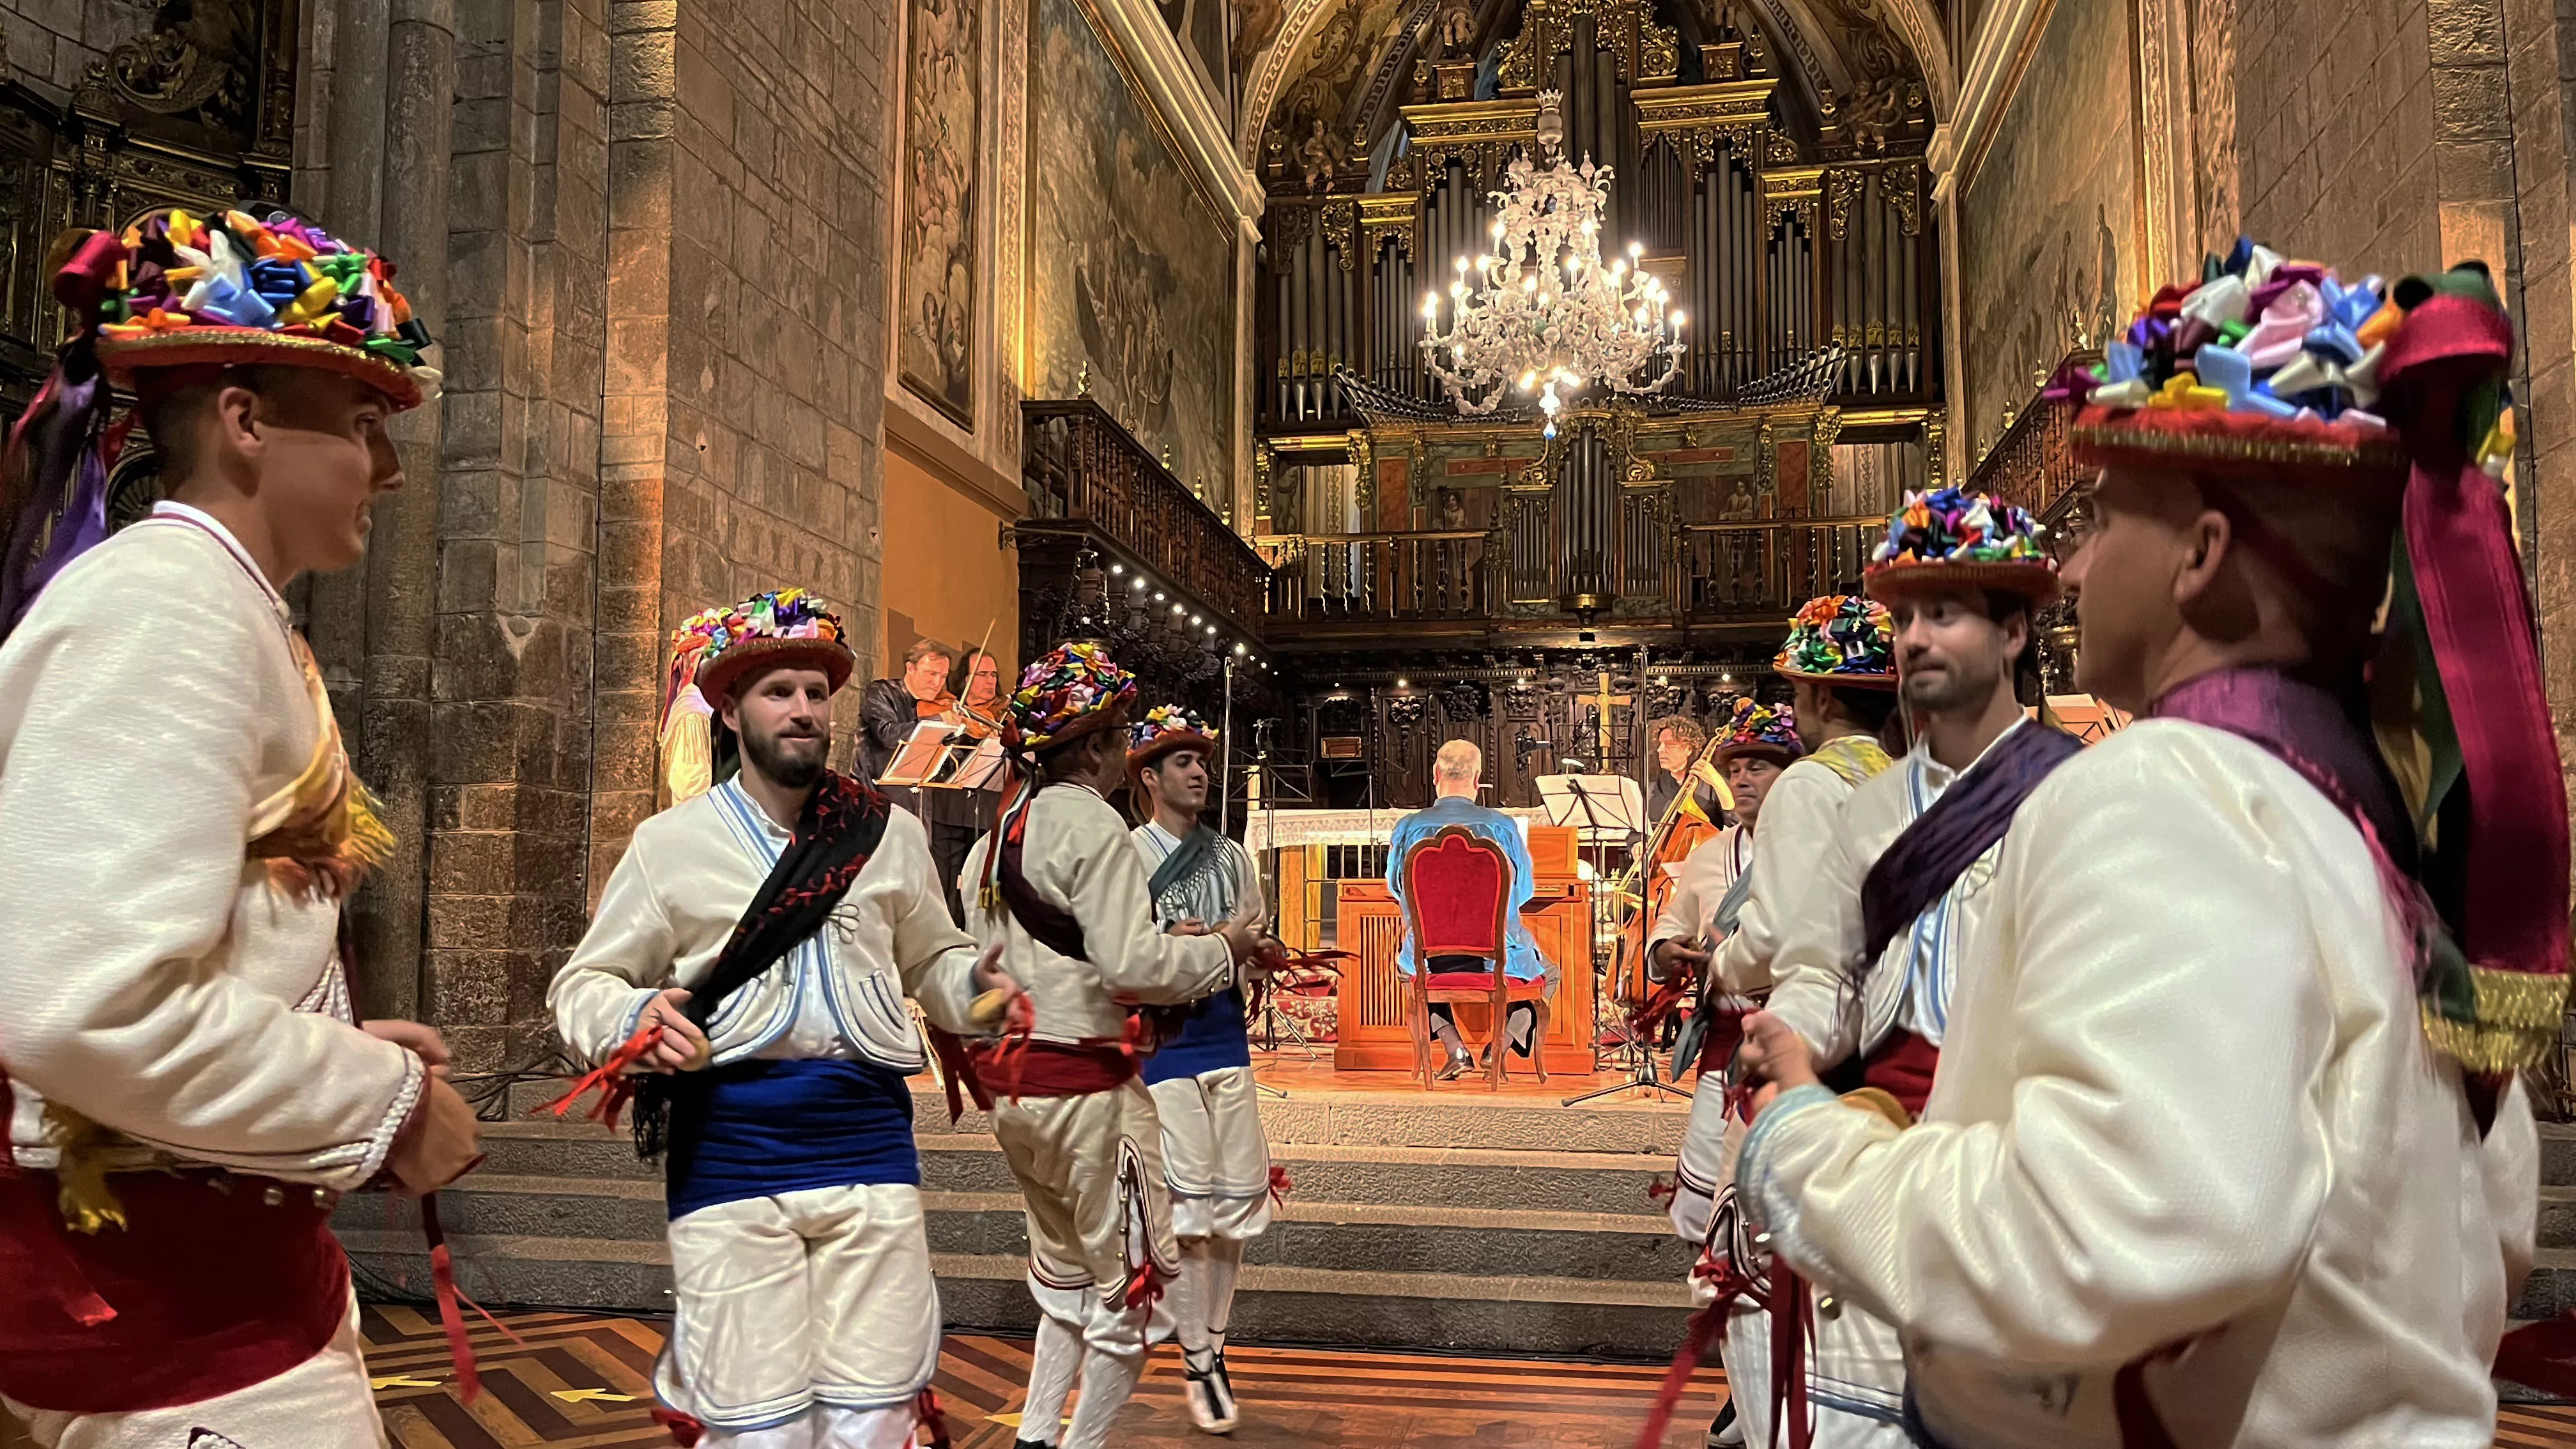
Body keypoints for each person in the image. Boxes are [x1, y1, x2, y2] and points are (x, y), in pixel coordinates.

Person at [1735, 249, 2550, 1446]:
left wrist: (1804, 1143)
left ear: (2201, 554)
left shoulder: (2165, 790)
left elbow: (2114, 1223)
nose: (2070, 564)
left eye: (2105, 517)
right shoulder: (2371, 832)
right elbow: (2498, 1226)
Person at [0, 208, 476, 1446]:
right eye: (365, 426)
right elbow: (81, 1003)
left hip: (225, 1289)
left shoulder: (217, 607)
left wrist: (323, 1026)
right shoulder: (169, 607)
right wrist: (386, 1104)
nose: (391, 468)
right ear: (246, 421)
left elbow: (168, 947)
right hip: (177, 1321)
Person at [549, 588, 1011, 1446]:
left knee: (874, 1421)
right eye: (778, 692)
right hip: (731, 1158)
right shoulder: (670, 845)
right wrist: (635, 1014)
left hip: (870, 1152)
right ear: (729, 709)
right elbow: (582, 986)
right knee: (756, 1429)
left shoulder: (888, 835)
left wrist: (982, 990)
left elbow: (935, 963)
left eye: (814, 692)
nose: (803, 709)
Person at [1710, 491, 2071, 1448]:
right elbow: (1825, 972)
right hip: (1875, 1147)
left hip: (2012, 1166)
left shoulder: (2077, 790)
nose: (1915, 637)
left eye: (1943, 612)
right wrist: (1790, 1032)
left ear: (2015, 628)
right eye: (1903, 616)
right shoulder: (1868, 810)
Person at [959, 644, 1267, 1449]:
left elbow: (977, 979)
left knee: (1066, 1287)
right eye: (1121, 736)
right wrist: (1225, 949)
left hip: (1018, 1095)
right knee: (1137, 1300)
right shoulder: (1090, 823)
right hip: (1090, 1097)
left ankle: (1032, 1438)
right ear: (1095, 749)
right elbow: (1135, 969)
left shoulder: (990, 840)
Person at [1663, 596, 1896, 1449]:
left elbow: (1785, 934)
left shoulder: (1814, 783)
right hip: (1890, 1057)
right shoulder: (1904, 776)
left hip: (1809, 1049)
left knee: (1750, 1267)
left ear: (1826, 700)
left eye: (1796, 695)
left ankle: (1764, 1423)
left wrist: (1719, 965)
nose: (1794, 712)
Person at [1127, 705, 1273, 1435]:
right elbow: (1125, 950)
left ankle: (1215, 1342)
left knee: (1233, 1215)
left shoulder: (1233, 855)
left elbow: (1249, 931)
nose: (1197, 772)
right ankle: (1194, 1357)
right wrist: (1208, 939)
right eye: (1181, 762)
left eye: (1202, 762)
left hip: (1224, 1038)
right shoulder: (1129, 854)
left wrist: (1247, 945)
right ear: (1149, 778)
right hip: (1164, 1048)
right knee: (1187, 1216)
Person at [1387, 738, 1552, 1082]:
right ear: (1478, 779)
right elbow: (1524, 891)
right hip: (1498, 956)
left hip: (1429, 955)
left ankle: (1455, 1049)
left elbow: (1396, 887)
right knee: (1549, 973)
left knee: (1407, 972)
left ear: (1435, 775)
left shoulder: (1408, 827)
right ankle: (1498, 1046)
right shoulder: (1501, 826)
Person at [861, 635, 961, 819]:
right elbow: (887, 734)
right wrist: (937, 721)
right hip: (879, 800)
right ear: (911, 668)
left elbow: (949, 765)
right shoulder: (881, 692)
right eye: (931, 674)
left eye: (944, 676)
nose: (938, 683)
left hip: (922, 804)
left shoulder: (939, 704)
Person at [1644, 715, 1724, 825]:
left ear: (1689, 749)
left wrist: (1718, 784)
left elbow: (1737, 825)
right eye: (1660, 744)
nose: (1660, 750)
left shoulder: (1709, 783)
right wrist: (1637, 842)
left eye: (1670, 744)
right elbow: (1637, 831)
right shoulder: (1653, 788)